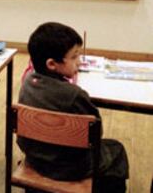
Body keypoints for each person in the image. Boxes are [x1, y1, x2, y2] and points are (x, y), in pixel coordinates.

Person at [17, 22, 129, 193]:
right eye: (74, 57)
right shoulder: (74, 95)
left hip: (35, 159)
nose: (80, 61)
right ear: (52, 64)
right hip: (69, 167)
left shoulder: (27, 82)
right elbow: (95, 135)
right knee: (116, 149)